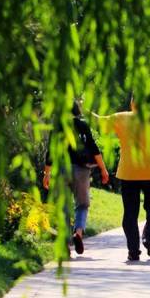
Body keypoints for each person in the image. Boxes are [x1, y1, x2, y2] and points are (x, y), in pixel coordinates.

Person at [93, 96, 150, 261]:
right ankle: (149, 239)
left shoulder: (122, 118)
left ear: (132, 103)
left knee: (130, 213)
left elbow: (98, 121)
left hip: (128, 173)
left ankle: (133, 251)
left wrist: (82, 107)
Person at [43, 99, 110, 256]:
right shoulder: (83, 125)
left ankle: (65, 244)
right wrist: (103, 169)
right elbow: (94, 148)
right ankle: (78, 233)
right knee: (82, 204)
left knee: (64, 207)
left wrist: (47, 174)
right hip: (81, 170)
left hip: (61, 170)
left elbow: (50, 154)